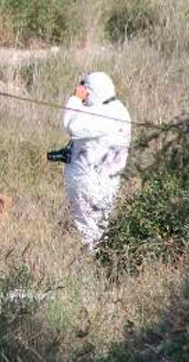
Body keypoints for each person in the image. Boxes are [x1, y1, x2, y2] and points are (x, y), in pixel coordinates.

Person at [61, 72, 132, 251]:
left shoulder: (105, 114)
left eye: (86, 91)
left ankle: (91, 267)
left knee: (88, 233)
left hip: (91, 181)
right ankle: (100, 261)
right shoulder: (118, 109)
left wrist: (75, 99)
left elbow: (71, 125)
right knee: (99, 229)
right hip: (105, 181)